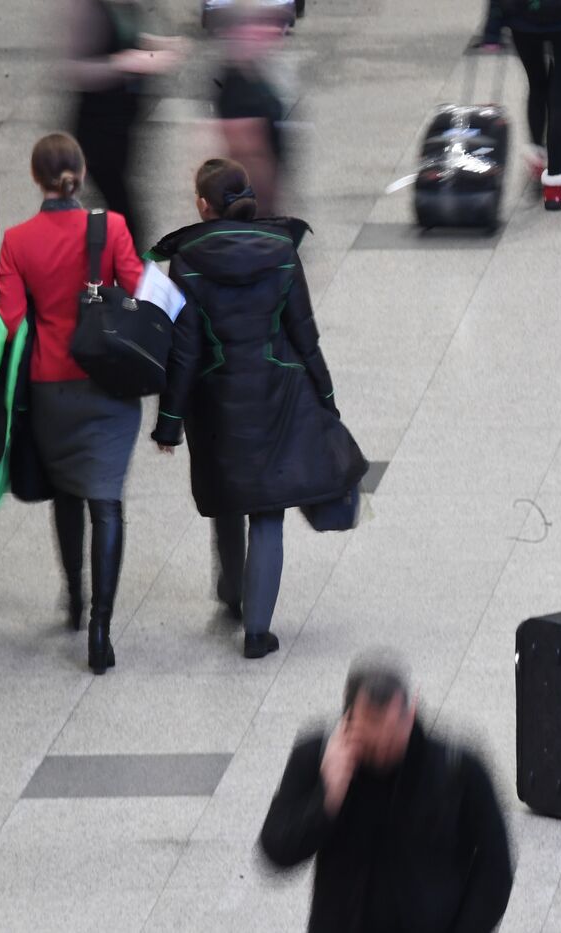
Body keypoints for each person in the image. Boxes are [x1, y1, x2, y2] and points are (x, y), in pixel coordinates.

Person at [146, 159, 367, 659]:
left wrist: (169, 424)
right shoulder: (283, 251)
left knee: (227, 494)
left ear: (203, 205)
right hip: (277, 395)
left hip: (216, 403)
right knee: (267, 511)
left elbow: (184, 354)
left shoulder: (184, 263)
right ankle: (257, 631)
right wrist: (326, 398)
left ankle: (231, 591)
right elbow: (305, 335)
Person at [0, 133, 143, 674]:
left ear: (37, 179)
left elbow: (11, 321)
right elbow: (142, 292)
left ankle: (75, 601)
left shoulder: (17, 241)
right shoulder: (112, 230)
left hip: (50, 387)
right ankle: (101, 629)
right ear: (80, 174)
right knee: (106, 501)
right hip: (108, 385)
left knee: (66, 494)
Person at [259, 655, 514, 932]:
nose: (381, 750)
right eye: (369, 740)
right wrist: (326, 799)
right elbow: (276, 851)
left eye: (392, 738)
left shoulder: (458, 768)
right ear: (347, 717)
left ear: (411, 711)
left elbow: (496, 868)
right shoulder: (316, 756)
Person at [66, 0, 184, 250]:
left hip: (122, 128)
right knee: (125, 214)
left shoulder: (125, 5)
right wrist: (126, 62)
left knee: (119, 210)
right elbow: (77, 70)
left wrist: (156, 45)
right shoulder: (86, 9)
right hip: (98, 133)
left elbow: (126, 35)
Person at [481, 0, 561, 211]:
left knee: (536, 85)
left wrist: (492, 29)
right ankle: (556, 188)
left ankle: (538, 158)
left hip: (523, 20)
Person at [215, 0, 293, 217]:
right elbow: (249, 155)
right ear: (239, 31)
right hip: (255, 209)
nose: (273, 30)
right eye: (262, 23)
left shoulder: (252, 70)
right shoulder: (236, 87)